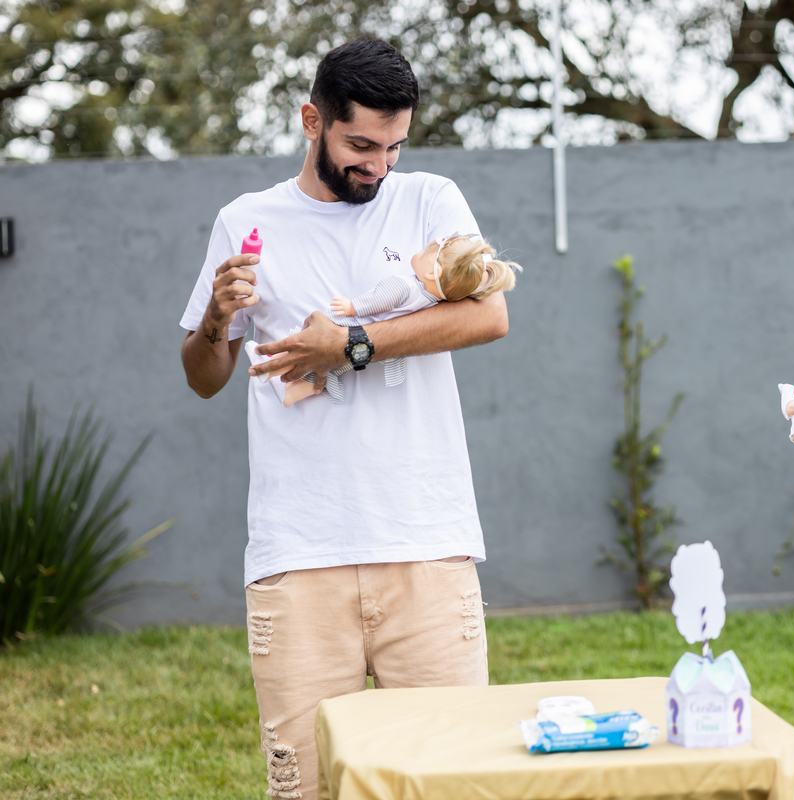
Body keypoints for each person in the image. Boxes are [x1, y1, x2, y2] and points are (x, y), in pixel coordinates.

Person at [179, 38, 508, 800]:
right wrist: (213, 322)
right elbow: (203, 378)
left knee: (449, 781)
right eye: (360, 144)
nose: (379, 166)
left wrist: (351, 344)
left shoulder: (430, 200)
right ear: (310, 120)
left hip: (426, 541)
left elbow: (488, 315)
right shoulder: (245, 222)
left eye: (395, 145)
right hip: (298, 554)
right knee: (308, 787)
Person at [248, 233, 521, 406]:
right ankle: (301, 391)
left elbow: (377, 299)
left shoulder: (403, 286)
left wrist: (351, 305)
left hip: (354, 324)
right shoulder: (431, 304)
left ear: (432, 270)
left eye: (429, 249)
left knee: (304, 339)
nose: (423, 249)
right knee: (331, 368)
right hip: (373, 352)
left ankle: (269, 368)